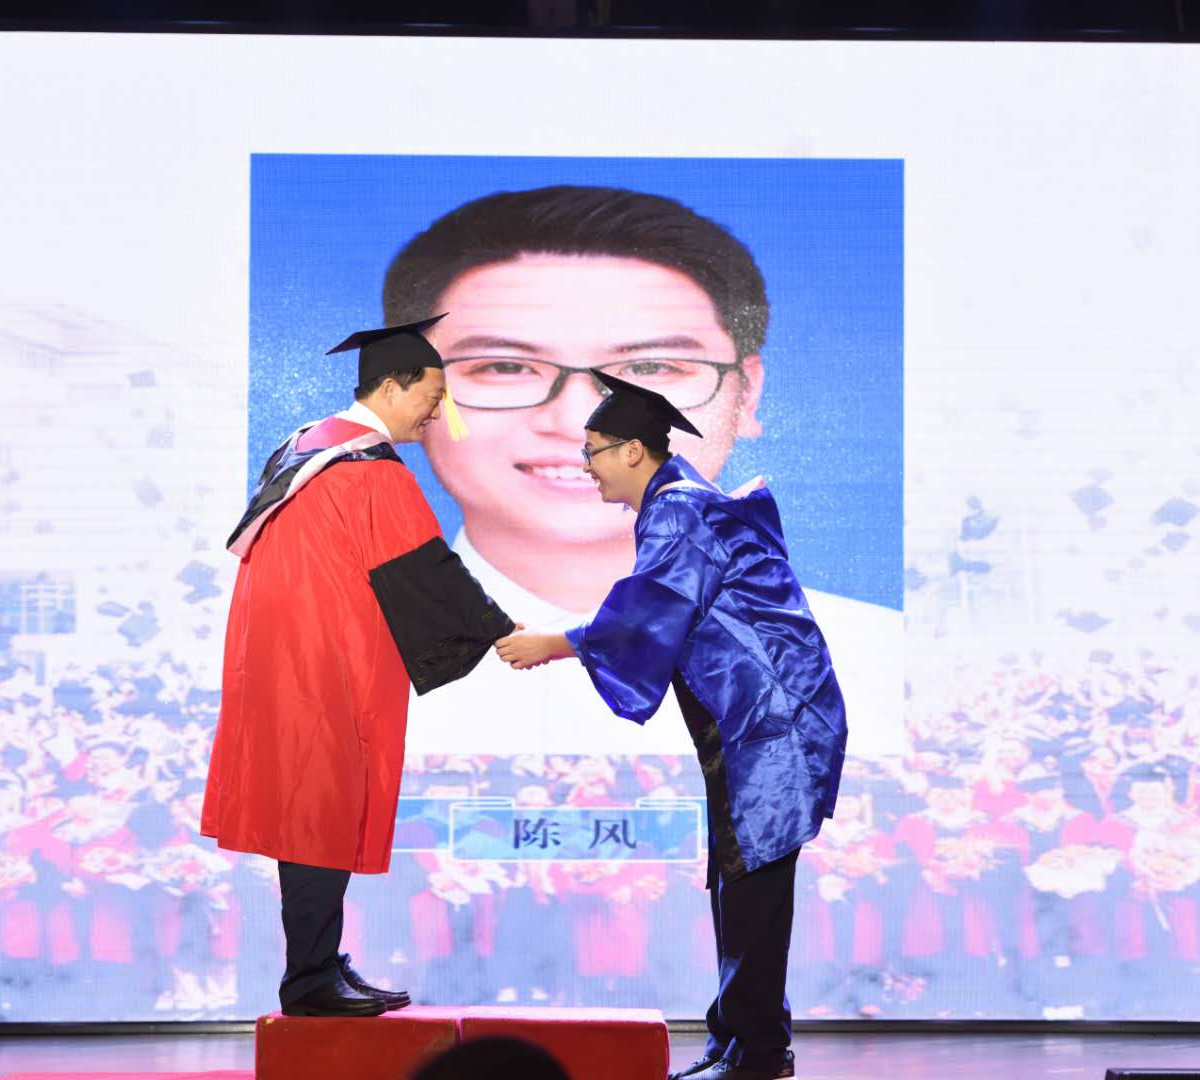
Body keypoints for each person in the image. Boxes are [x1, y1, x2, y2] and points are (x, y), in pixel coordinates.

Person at [383, 184, 902, 758]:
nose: (577, 422)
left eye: (650, 366)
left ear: (747, 394)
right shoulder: (334, 646)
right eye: (505, 366)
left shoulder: (884, 664)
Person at [494, 373, 848, 1080]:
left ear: (633, 451)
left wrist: (553, 644)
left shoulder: (680, 509)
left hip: (771, 724)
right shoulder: (678, 502)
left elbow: (650, 606)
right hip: (756, 722)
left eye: (593, 450)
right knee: (739, 882)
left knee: (751, 887)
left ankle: (755, 1052)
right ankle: (739, 1040)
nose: (586, 465)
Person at [201, 315, 513, 1017]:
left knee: (308, 812)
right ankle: (309, 979)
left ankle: (317, 963)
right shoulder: (367, 469)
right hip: (329, 665)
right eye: (431, 396)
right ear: (393, 387)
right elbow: (425, 571)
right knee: (320, 812)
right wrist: (498, 629)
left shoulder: (303, 446)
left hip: (281, 658)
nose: (437, 413)